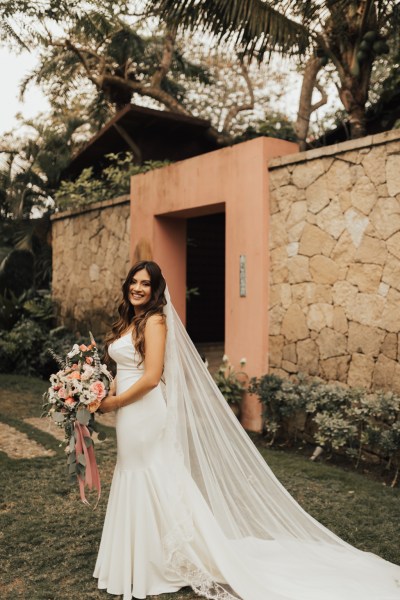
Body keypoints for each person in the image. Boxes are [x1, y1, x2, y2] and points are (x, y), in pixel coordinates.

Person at [94, 260, 400, 600]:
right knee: (136, 473)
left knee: (152, 475)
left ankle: (164, 561)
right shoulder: (128, 322)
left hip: (145, 414)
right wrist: (98, 394)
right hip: (128, 414)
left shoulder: (155, 321)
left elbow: (151, 378)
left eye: (145, 284)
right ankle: (142, 555)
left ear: (155, 290)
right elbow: (125, 369)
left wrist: (115, 403)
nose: (138, 288)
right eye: (134, 282)